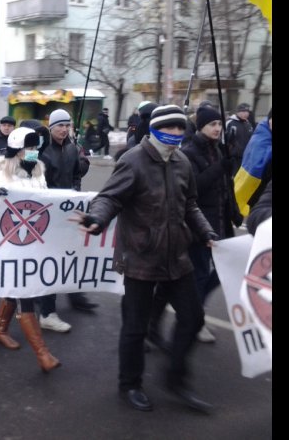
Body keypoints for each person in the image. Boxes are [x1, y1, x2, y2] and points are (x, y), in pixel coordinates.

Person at [70, 105, 217, 413]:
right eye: (171, 128)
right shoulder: (133, 160)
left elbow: (189, 204)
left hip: (177, 255)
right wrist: (96, 219)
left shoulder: (182, 161)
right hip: (140, 256)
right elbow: (109, 197)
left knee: (193, 318)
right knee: (135, 328)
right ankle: (130, 384)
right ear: (156, 128)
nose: (176, 134)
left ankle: (176, 379)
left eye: (181, 129)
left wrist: (206, 232)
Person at [149, 107, 242, 346]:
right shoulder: (189, 153)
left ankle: (179, 317)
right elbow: (194, 188)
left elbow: (225, 187)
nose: (217, 128)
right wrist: (219, 168)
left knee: (222, 271)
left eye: (219, 124)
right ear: (201, 126)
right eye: (212, 124)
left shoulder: (219, 150)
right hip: (197, 226)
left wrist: (234, 211)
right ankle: (194, 321)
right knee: (198, 276)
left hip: (220, 224)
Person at [0, 127, 61, 372]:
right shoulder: (1, 175)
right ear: (17, 149)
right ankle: (43, 355)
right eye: (29, 147)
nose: (34, 152)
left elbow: (45, 200)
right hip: (9, 244)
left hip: (32, 242)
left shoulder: (38, 173)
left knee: (15, 289)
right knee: (25, 296)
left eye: (36, 147)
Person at [37, 109, 98, 333]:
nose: (63, 129)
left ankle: (75, 296)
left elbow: (75, 175)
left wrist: (76, 198)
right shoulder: (43, 151)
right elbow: (38, 183)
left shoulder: (73, 148)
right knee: (50, 262)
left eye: (67, 125)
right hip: (49, 214)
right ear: (51, 127)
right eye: (59, 125)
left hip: (68, 212)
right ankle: (47, 312)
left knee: (71, 256)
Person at [226, 103, 254, 177]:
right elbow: (224, 141)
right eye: (243, 111)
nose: (246, 114)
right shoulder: (230, 123)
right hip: (234, 158)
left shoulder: (248, 124)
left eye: (247, 112)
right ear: (238, 112)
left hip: (246, 158)